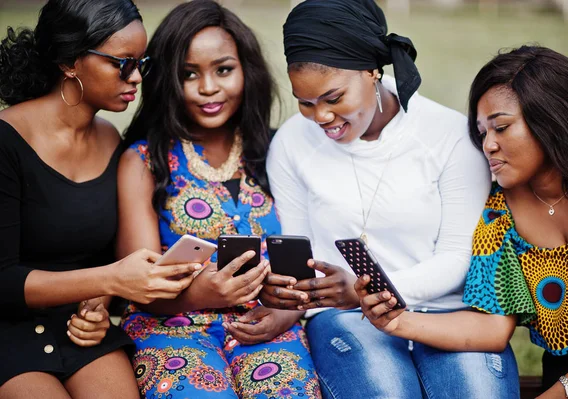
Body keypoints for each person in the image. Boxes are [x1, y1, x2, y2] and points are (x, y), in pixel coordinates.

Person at [262, 0, 519, 398]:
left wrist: (365, 290)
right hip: (344, 317)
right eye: (306, 102)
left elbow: (455, 258)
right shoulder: (292, 143)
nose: (321, 117)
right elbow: (301, 254)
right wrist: (297, 299)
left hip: (447, 314)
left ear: (372, 71)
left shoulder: (448, 136)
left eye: (333, 98)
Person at [359, 45, 568, 399]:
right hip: (566, 377)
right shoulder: (498, 215)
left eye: (501, 127)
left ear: (552, 118)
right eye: (482, 133)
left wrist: (563, 393)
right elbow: (491, 326)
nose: (488, 145)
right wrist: (396, 321)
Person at [117, 1, 320, 398]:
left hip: (266, 324)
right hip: (170, 327)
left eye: (223, 70)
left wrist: (288, 310)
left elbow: (311, 257)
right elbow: (137, 286)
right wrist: (204, 294)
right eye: (188, 74)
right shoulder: (144, 161)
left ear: (247, 70)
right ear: (165, 81)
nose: (208, 88)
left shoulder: (279, 150)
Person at [0, 1, 202, 398]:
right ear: (70, 61)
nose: (136, 77)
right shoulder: (7, 141)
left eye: (140, 63)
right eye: (122, 63)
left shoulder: (110, 139)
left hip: (79, 327)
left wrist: (100, 300)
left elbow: (101, 253)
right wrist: (111, 279)